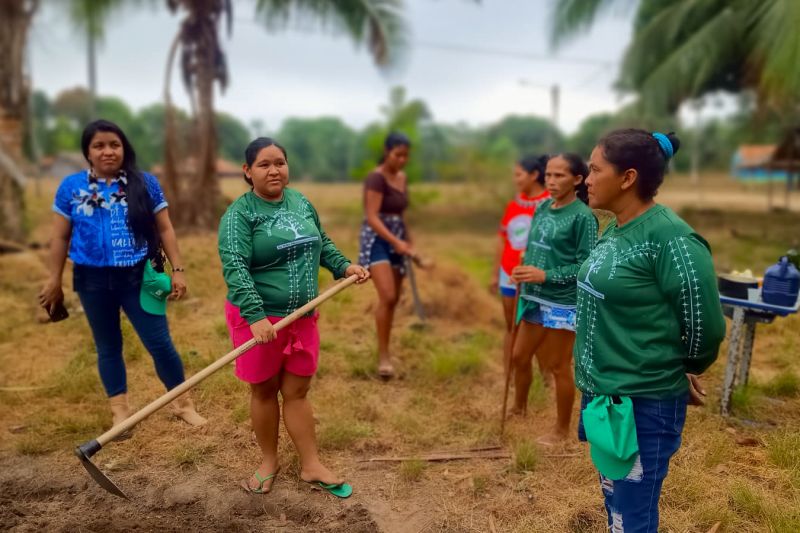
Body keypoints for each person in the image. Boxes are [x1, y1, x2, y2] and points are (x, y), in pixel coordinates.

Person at [575, 129, 725, 531]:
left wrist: (679, 367)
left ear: (628, 178)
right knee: (616, 506)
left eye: (594, 170)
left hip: (642, 403)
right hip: (606, 397)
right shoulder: (617, 228)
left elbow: (706, 327)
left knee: (632, 516)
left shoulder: (671, 239)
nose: (585, 179)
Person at [219, 137, 370, 497]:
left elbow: (323, 242)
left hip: (302, 316)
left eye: (280, 163)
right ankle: (269, 462)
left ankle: (311, 465)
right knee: (265, 389)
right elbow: (235, 265)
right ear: (247, 171)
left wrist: (344, 266)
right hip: (261, 320)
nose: (274, 170)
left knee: (298, 390)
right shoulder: (240, 214)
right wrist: (256, 316)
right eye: (264, 164)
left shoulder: (301, 201)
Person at [38, 119, 206, 435]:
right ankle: (120, 414)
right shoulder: (71, 188)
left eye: (114, 144)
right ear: (87, 152)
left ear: (123, 147)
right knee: (108, 346)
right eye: (98, 145)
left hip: (139, 277)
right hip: (91, 281)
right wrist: (53, 280)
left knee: (159, 342)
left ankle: (184, 405)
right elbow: (60, 238)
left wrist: (178, 270)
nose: (107, 151)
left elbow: (165, 228)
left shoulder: (144, 184)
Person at [509, 153, 598, 446]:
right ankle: (519, 409)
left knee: (559, 366)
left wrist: (544, 275)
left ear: (577, 180)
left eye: (559, 176)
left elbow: (585, 266)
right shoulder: (544, 207)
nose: (551, 181)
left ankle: (561, 430)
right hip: (534, 296)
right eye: (548, 175)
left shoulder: (583, 217)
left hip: (562, 302)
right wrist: (522, 272)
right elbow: (535, 249)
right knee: (519, 356)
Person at [357, 132, 414, 379]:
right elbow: (372, 216)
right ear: (386, 151)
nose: (401, 160)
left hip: (398, 238)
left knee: (392, 300)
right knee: (388, 295)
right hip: (378, 239)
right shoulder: (375, 178)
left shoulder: (402, 177)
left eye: (405, 156)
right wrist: (396, 242)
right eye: (397, 154)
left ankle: (387, 348)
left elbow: (400, 215)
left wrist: (409, 242)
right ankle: (383, 357)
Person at [489, 155, 550, 374]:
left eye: (518, 174)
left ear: (534, 175)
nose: (515, 179)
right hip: (509, 272)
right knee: (510, 326)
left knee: (540, 327)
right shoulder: (513, 205)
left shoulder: (549, 205)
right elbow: (502, 240)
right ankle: (510, 375)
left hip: (536, 275)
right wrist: (496, 274)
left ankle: (546, 378)